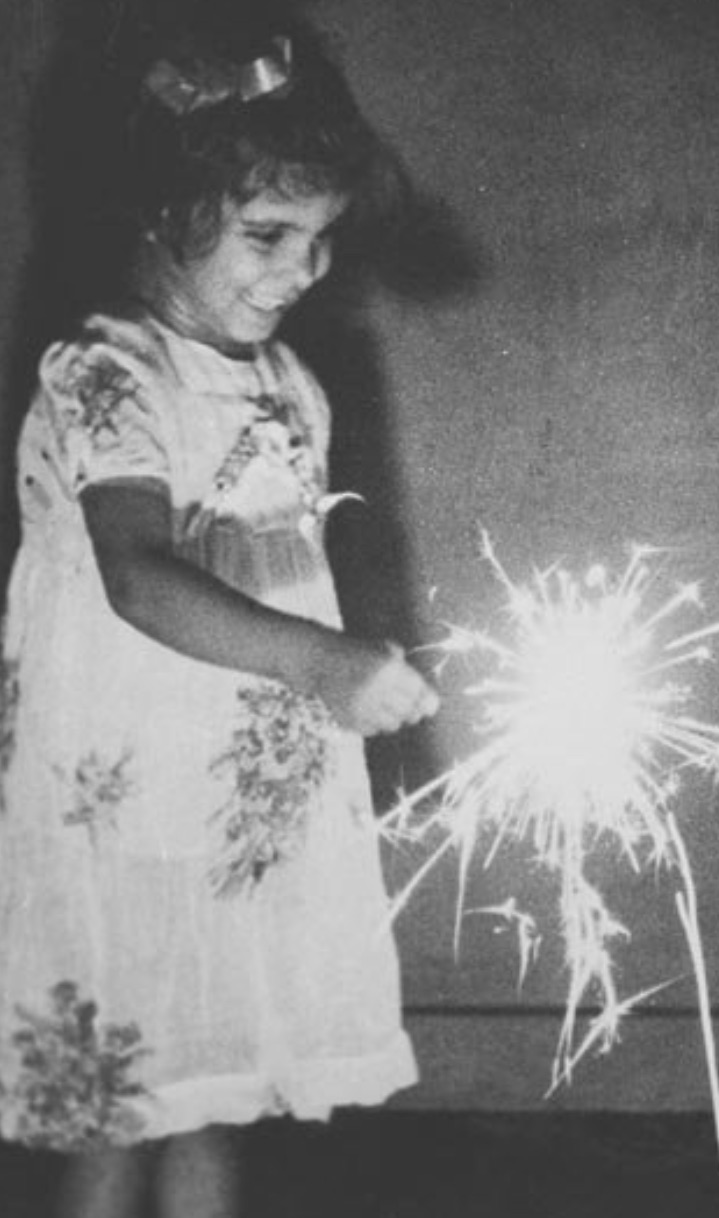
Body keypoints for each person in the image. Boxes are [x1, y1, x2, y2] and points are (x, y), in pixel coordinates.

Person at [0, 12, 439, 1218]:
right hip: (128, 817)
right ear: (160, 209)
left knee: (224, 1089)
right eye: (268, 234)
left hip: (242, 820)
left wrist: (336, 676)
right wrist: (322, 665)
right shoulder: (109, 370)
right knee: (119, 1110)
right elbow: (138, 575)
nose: (303, 270)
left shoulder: (290, 381)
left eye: (323, 240)